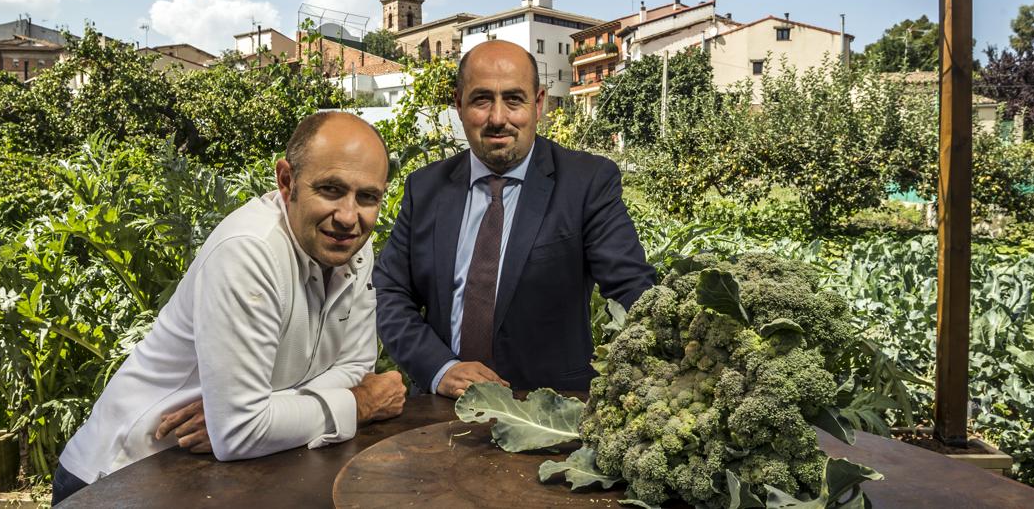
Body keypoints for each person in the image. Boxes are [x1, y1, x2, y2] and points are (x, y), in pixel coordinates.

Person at [53, 112, 406, 505]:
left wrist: (264, 412)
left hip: (205, 477)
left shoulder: (355, 247)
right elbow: (241, 432)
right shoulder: (249, 251)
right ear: (286, 182)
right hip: (117, 479)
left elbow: (356, 368)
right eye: (330, 189)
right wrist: (357, 404)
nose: (348, 216)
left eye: (368, 197)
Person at [374, 40, 655, 398]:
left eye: (514, 99)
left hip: (550, 414)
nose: (497, 118)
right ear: (458, 104)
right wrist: (439, 369)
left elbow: (632, 288)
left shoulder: (586, 183)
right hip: (439, 410)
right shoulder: (425, 188)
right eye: (481, 100)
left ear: (538, 104)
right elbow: (390, 292)